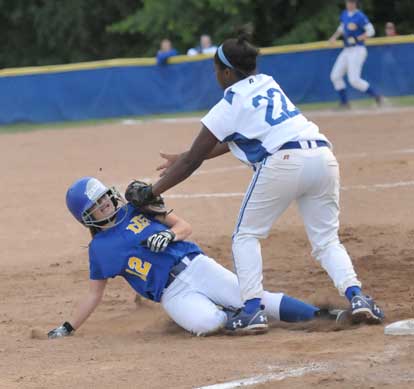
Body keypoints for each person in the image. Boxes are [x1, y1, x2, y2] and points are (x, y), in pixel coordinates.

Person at [126, 33, 385, 334]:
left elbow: (192, 161)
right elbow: (238, 137)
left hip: (283, 161)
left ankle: (251, 310)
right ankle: (357, 296)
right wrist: (185, 155)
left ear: (225, 72)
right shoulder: (268, 83)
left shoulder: (229, 104)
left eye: (215, 71)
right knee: (326, 241)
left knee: (245, 236)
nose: (215, 76)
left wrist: (151, 192)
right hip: (323, 156)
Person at [48, 177, 342, 339]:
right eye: (97, 204)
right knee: (206, 323)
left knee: (254, 297)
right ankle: (239, 319)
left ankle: (321, 315)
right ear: (87, 216)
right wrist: (68, 326)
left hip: (194, 265)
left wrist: (170, 235)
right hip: (170, 292)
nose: (105, 203)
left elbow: (184, 227)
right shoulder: (100, 249)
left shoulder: (136, 208)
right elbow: (93, 294)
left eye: (103, 197)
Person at [329, 0, 382, 108]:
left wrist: (357, 38)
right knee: (335, 76)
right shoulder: (344, 14)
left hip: (358, 49)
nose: (350, 4)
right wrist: (334, 37)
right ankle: (344, 103)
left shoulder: (360, 16)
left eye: (352, 2)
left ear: (355, 4)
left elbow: (371, 31)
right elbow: (342, 27)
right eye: (348, 2)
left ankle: (377, 96)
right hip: (347, 50)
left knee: (354, 80)